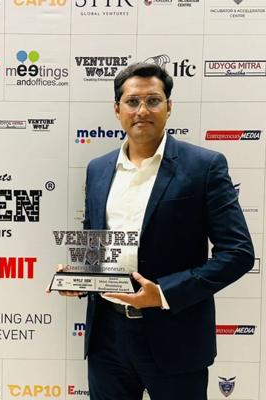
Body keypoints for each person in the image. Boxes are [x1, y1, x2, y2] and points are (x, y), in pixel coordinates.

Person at [51, 63, 254, 400]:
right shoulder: (98, 168)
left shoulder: (204, 166)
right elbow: (98, 241)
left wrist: (162, 293)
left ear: (169, 106)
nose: (142, 110)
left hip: (176, 336)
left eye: (153, 100)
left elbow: (238, 253)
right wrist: (81, 276)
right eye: (132, 102)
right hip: (107, 339)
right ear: (117, 109)